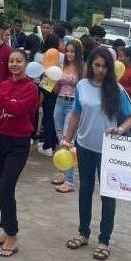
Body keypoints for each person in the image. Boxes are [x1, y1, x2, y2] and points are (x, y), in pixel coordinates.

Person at [61, 46, 131, 261]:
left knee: (108, 195)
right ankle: (82, 233)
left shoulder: (116, 89)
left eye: (104, 66)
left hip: (108, 150)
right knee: (85, 189)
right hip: (84, 146)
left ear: (110, 68)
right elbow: (76, 113)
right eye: (96, 65)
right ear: (90, 64)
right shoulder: (82, 86)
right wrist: (67, 139)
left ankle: (104, 240)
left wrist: (120, 129)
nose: (100, 70)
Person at [0, 49, 39, 257]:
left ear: (26, 64)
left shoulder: (31, 89)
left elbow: (17, 110)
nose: (15, 65)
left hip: (19, 143)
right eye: (12, 61)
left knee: (7, 187)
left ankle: (13, 235)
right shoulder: (4, 85)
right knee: (1, 188)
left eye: (19, 61)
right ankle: (5, 230)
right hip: (0, 141)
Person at [51, 40, 84, 193]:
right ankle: (64, 173)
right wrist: (54, 80)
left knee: (67, 141)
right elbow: (56, 89)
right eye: (68, 51)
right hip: (60, 102)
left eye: (73, 51)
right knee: (60, 139)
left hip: (73, 105)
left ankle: (70, 181)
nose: (70, 54)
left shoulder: (82, 69)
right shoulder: (62, 66)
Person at [37, 34, 61, 157]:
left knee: (48, 117)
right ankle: (53, 143)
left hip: (47, 85)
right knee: (53, 117)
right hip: (57, 89)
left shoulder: (45, 55)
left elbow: (44, 71)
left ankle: (48, 145)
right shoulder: (61, 56)